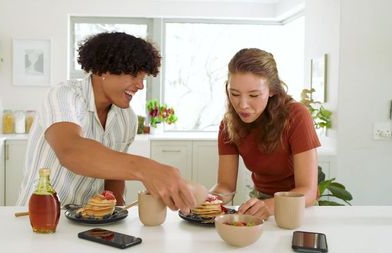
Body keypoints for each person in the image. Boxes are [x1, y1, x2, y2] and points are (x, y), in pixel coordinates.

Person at [17, 32, 196, 213]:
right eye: (134, 75)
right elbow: (70, 151)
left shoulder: (127, 119)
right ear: (103, 70)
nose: (140, 85)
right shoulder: (64, 95)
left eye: (143, 78)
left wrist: (117, 214)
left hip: (88, 220)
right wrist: (146, 169)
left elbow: (114, 178)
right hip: (40, 216)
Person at [210, 48, 320, 220]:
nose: (242, 105)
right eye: (235, 94)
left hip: (298, 206)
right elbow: (225, 186)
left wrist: (269, 206)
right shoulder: (228, 124)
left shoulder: (297, 115)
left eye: (254, 95)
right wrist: (209, 200)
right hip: (261, 201)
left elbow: (308, 190)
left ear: (272, 90)